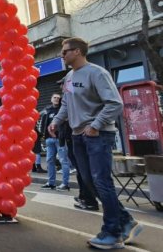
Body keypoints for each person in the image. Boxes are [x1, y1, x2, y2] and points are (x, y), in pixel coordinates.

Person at [48, 37, 142, 249]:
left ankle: (112, 234)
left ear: (78, 52)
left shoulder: (97, 73)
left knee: (101, 181)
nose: (62, 55)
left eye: (65, 52)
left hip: (97, 135)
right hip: (77, 135)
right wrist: (55, 121)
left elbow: (115, 104)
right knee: (89, 182)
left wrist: (96, 125)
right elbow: (66, 104)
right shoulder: (70, 77)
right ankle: (125, 220)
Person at [55, 78, 99, 211]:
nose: (62, 88)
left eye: (63, 85)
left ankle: (90, 199)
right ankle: (84, 196)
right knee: (81, 171)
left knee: (85, 171)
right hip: (71, 139)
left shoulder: (76, 98)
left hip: (80, 136)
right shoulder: (68, 99)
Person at [39, 93, 71, 190]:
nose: (56, 99)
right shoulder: (47, 110)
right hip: (49, 140)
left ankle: (65, 184)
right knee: (49, 161)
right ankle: (51, 182)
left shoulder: (63, 110)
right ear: (51, 99)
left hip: (60, 139)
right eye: (55, 97)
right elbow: (43, 123)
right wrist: (43, 135)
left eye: (58, 98)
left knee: (63, 161)